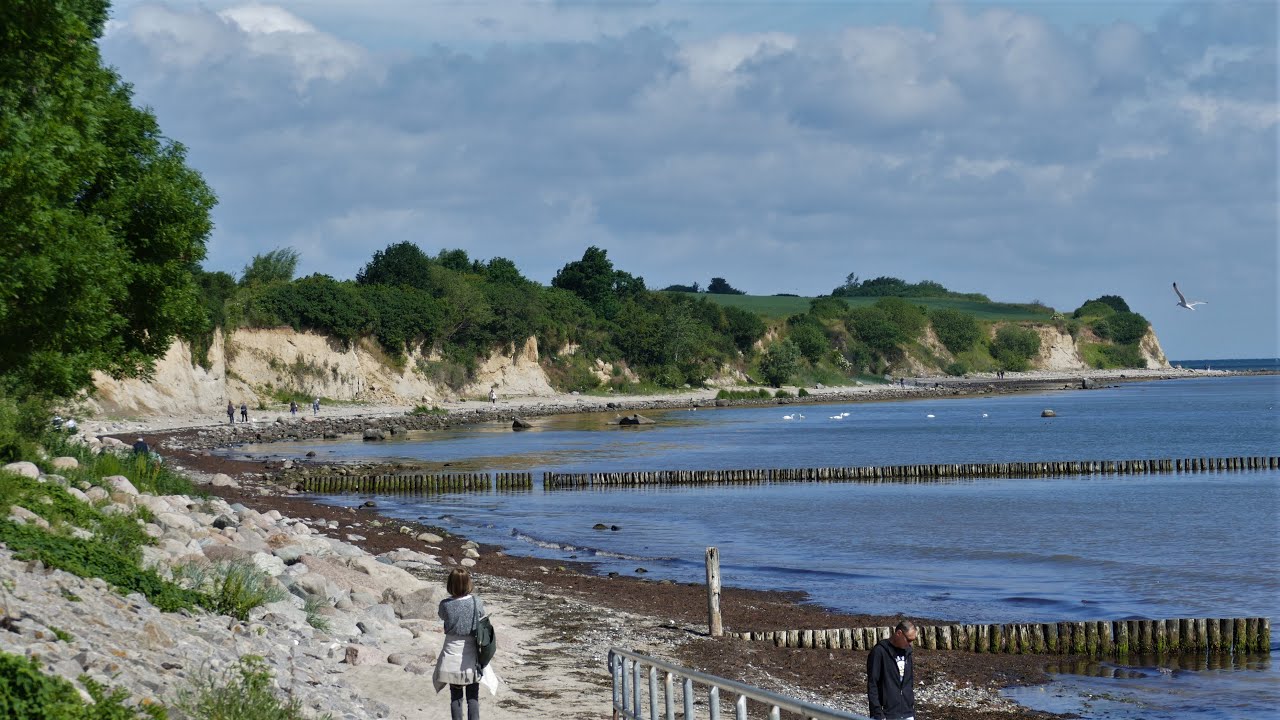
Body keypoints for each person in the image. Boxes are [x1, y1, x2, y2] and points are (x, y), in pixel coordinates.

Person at [434, 568, 486, 720]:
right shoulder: (476, 602)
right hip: (471, 653)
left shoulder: (445, 604)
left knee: (455, 697)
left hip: (451, 653)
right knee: (473, 697)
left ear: (450, 584)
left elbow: (442, 616)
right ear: (468, 583)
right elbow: (482, 615)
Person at [867, 619, 916, 720]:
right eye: (909, 640)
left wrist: (910, 706)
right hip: (886, 714)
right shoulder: (879, 652)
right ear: (899, 633)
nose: (910, 644)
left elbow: (909, 681)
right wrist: (877, 713)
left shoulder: (907, 652)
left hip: (907, 712)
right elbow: (872, 684)